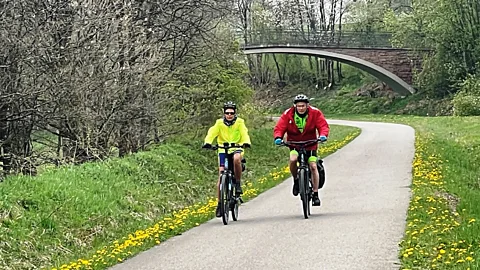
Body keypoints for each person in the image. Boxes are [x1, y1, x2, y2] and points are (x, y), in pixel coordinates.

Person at [273, 94, 329, 206]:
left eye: (303, 106)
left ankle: (315, 193)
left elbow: (323, 125)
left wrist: (323, 135)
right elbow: (280, 127)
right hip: (294, 144)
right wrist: (278, 137)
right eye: (299, 106)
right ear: (295, 106)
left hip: (311, 144)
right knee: (293, 159)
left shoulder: (315, 113)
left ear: (307, 105)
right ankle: (296, 180)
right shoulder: (288, 114)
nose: (301, 108)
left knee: (313, 166)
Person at [202, 101, 251, 217]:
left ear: (235, 113)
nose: (229, 115)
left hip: (236, 148)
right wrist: (208, 142)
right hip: (223, 150)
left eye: (231, 113)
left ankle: (238, 184)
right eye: (227, 113)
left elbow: (244, 133)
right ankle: (220, 204)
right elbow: (212, 132)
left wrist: (246, 142)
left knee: (237, 159)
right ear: (224, 113)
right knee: (221, 174)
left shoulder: (239, 122)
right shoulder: (219, 123)